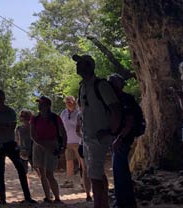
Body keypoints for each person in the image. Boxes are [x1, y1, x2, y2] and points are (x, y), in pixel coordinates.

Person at [75, 54, 121, 208]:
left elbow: (115, 108)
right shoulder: (82, 87)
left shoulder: (101, 85)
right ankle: (103, 204)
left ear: (89, 66)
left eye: (81, 63)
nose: (77, 66)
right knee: (97, 174)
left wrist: (110, 132)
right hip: (89, 138)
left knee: (94, 177)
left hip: (98, 137)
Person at [0, 89, 36, 204]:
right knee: (0, 172)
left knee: (20, 169)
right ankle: (3, 199)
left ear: (3, 98)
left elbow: (11, 126)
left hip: (9, 143)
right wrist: (3, 126)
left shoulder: (10, 111)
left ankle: (27, 197)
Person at [109, 74, 142, 208]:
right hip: (121, 138)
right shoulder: (118, 99)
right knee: (120, 170)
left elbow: (129, 121)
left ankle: (124, 203)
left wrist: (120, 138)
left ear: (118, 85)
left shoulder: (124, 99)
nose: (109, 85)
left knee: (120, 170)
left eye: (111, 82)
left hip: (123, 139)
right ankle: (124, 201)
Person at [31, 96, 67, 203]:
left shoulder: (55, 118)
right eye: (39, 104)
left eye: (42, 104)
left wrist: (63, 147)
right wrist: (44, 145)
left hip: (52, 144)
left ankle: (57, 198)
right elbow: (33, 135)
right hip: (39, 145)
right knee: (42, 173)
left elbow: (63, 133)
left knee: (49, 173)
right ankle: (47, 197)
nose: (39, 106)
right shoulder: (35, 118)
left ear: (48, 106)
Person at [60, 96, 82, 189]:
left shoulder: (79, 112)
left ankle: (83, 181)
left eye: (70, 101)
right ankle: (69, 181)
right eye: (66, 102)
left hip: (78, 141)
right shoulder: (63, 113)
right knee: (69, 161)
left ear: (74, 102)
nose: (68, 103)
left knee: (82, 162)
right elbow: (61, 126)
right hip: (67, 141)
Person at [76, 114, 93, 202]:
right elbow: (77, 130)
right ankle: (88, 194)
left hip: (93, 144)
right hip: (83, 144)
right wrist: (83, 137)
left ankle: (95, 193)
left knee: (92, 169)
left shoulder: (95, 112)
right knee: (85, 170)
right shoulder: (80, 115)